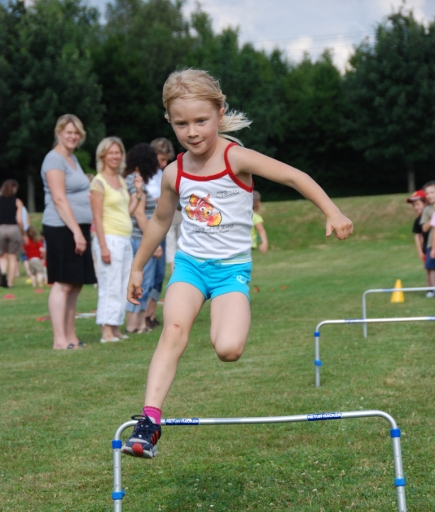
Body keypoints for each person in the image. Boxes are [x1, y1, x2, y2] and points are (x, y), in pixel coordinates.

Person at [122, 68, 353, 459]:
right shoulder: (174, 172)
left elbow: (294, 176)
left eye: (201, 121)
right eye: (181, 124)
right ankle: (149, 421)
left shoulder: (237, 158)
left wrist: (331, 211)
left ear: (219, 112)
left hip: (231, 271)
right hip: (190, 267)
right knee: (173, 331)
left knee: (229, 348)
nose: (192, 132)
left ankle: (218, 327)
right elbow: (161, 220)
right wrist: (137, 266)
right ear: (169, 121)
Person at [41, 114, 97, 349]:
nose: (73, 136)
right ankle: (59, 340)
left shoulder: (72, 158)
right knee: (62, 283)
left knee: (75, 283)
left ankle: (71, 336)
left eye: (77, 133)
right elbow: (59, 198)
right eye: (69, 132)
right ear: (59, 133)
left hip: (77, 227)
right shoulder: (53, 160)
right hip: (61, 227)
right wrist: (76, 231)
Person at [90, 137, 144, 343]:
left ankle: (116, 328)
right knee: (109, 284)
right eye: (111, 152)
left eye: (118, 152)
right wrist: (103, 246)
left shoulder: (120, 181)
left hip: (124, 238)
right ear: (103, 155)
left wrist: (138, 194)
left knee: (123, 285)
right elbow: (97, 217)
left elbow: (126, 213)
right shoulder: (98, 182)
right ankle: (106, 330)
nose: (115, 156)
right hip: (109, 239)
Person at [124, 143, 161, 334]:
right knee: (140, 282)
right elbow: (138, 214)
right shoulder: (134, 179)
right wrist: (152, 242)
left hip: (140, 237)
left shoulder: (136, 179)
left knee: (144, 283)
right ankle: (133, 324)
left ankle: (140, 323)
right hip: (139, 238)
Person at [144, 137, 176, 329]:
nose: (163, 164)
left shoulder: (161, 175)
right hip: (147, 227)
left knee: (158, 275)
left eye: (166, 161)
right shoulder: (143, 175)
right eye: (161, 159)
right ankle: (142, 316)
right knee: (148, 274)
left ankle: (151, 313)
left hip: (161, 228)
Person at [406, 190, 432, 296]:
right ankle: (430, 290)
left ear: (425, 202)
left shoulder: (431, 214)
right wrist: (420, 251)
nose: (416, 207)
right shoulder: (418, 220)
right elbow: (417, 235)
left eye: (418, 204)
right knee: (429, 269)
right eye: (414, 205)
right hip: (427, 248)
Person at [0, 179, 24, 288]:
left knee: (2, 256)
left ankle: (3, 272)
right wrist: (23, 233)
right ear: (14, 188)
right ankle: (9, 283)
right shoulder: (17, 201)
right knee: (12, 257)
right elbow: (19, 220)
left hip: (0, 229)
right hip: (13, 229)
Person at [419, 181, 435, 292]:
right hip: (431, 244)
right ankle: (432, 290)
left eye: (432, 192)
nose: (429, 195)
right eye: (427, 193)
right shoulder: (427, 210)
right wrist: (432, 219)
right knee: (432, 268)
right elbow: (424, 228)